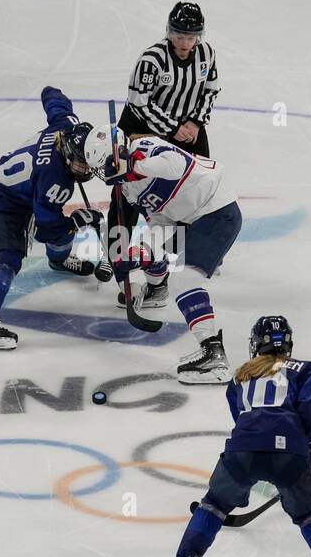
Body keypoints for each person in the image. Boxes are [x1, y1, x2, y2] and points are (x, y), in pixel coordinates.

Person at [149, 316, 311, 557]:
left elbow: (243, 419)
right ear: (289, 343)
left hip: (243, 450)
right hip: (290, 454)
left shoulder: (240, 376)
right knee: (309, 515)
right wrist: (305, 442)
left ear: (255, 344)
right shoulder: (307, 370)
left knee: (213, 507)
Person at [85, 127, 241, 383]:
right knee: (155, 253)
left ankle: (214, 355)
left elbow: (177, 165)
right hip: (191, 218)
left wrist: (136, 166)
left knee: (183, 279)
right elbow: (161, 221)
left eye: (106, 165)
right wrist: (141, 252)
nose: (105, 173)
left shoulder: (146, 148)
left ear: (119, 154)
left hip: (217, 209)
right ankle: (156, 290)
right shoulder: (128, 187)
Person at [0, 87, 101, 349]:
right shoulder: (55, 180)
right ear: (66, 151)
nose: (84, 170)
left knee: (59, 220)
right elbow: (46, 230)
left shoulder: (66, 127)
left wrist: (54, 95)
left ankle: (59, 261)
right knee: (9, 259)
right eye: (79, 164)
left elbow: (52, 97)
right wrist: (78, 220)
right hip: (1, 201)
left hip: (24, 188)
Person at [108, 1, 221, 260]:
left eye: (190, 37)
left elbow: (211, 90)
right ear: (170, 32)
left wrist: (195, 122)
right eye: (179, 35)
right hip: (141, 128)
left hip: (188, 129)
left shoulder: (207, 54)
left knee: (195, 187)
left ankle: (174, 250)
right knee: (126, 192)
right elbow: (139, 102)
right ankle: (114, 255)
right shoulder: (152, 60)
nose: (184, 42)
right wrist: (172, 129)